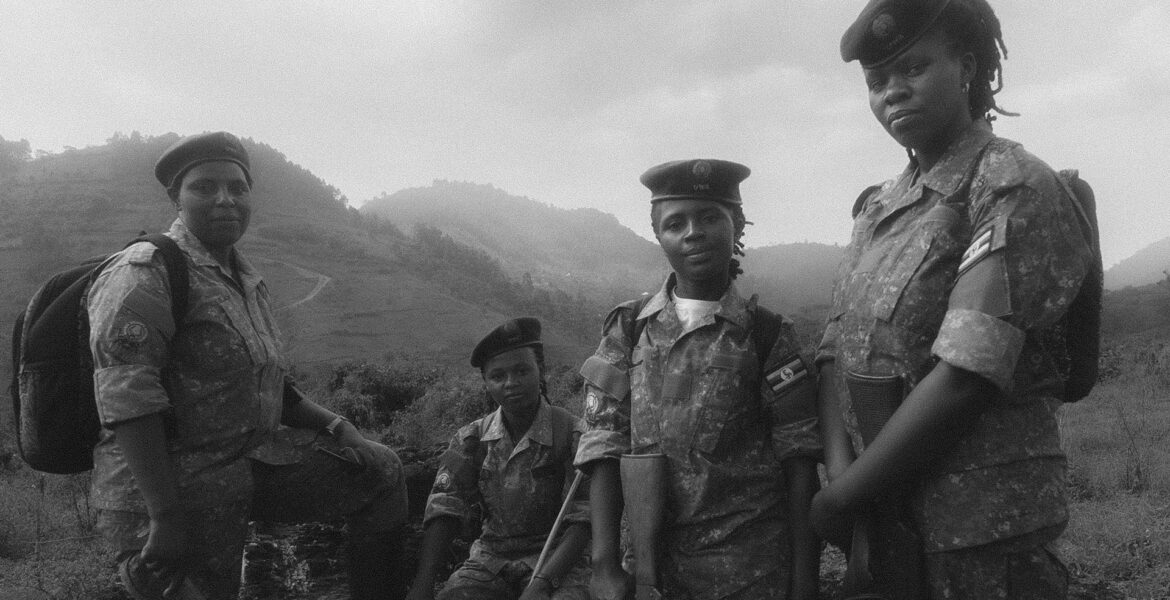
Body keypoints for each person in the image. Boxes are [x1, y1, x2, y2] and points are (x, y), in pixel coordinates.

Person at [812, 1, 1094, 598]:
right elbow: (835, 346)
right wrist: (843, 476)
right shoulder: (878, 208)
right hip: (887, 518)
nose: (892, 93)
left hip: (979, 530)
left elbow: (968, 371)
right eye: (877, 81)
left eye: (912, 69)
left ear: (966, 67)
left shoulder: (1010, 184)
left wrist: (842, 495)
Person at [87, 131, 410, 600]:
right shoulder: (145, 273)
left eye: (238, 188)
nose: (225, 200)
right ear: (175, 197)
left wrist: (338, 425)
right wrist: (165, 516)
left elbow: (269, 381)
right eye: (204, 187)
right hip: (161, 490)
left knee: (380, 471)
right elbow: (127, 402)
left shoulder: (243, 277)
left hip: (242, 467)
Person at [574, 159, 822, 600]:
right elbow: (602, 444)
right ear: (659, 235)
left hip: (747, 571)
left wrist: (804, 584)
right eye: (676, 223)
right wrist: (604, 565)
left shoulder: (766, 336)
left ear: (738, 225)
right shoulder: (629, 327)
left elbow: (799, 463)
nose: (693, 232)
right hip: (649, 572)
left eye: (710, 216)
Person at [407, 317, 591, 600]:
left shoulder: (572, 434)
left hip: (557, 560)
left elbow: (583, 520)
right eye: (497, 376)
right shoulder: (470, 440)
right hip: (490, 560)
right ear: (486, 383)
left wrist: (542, 584)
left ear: (541, 372)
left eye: (521, 371)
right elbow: (445, 507)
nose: (511, 383)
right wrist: (423, 583)